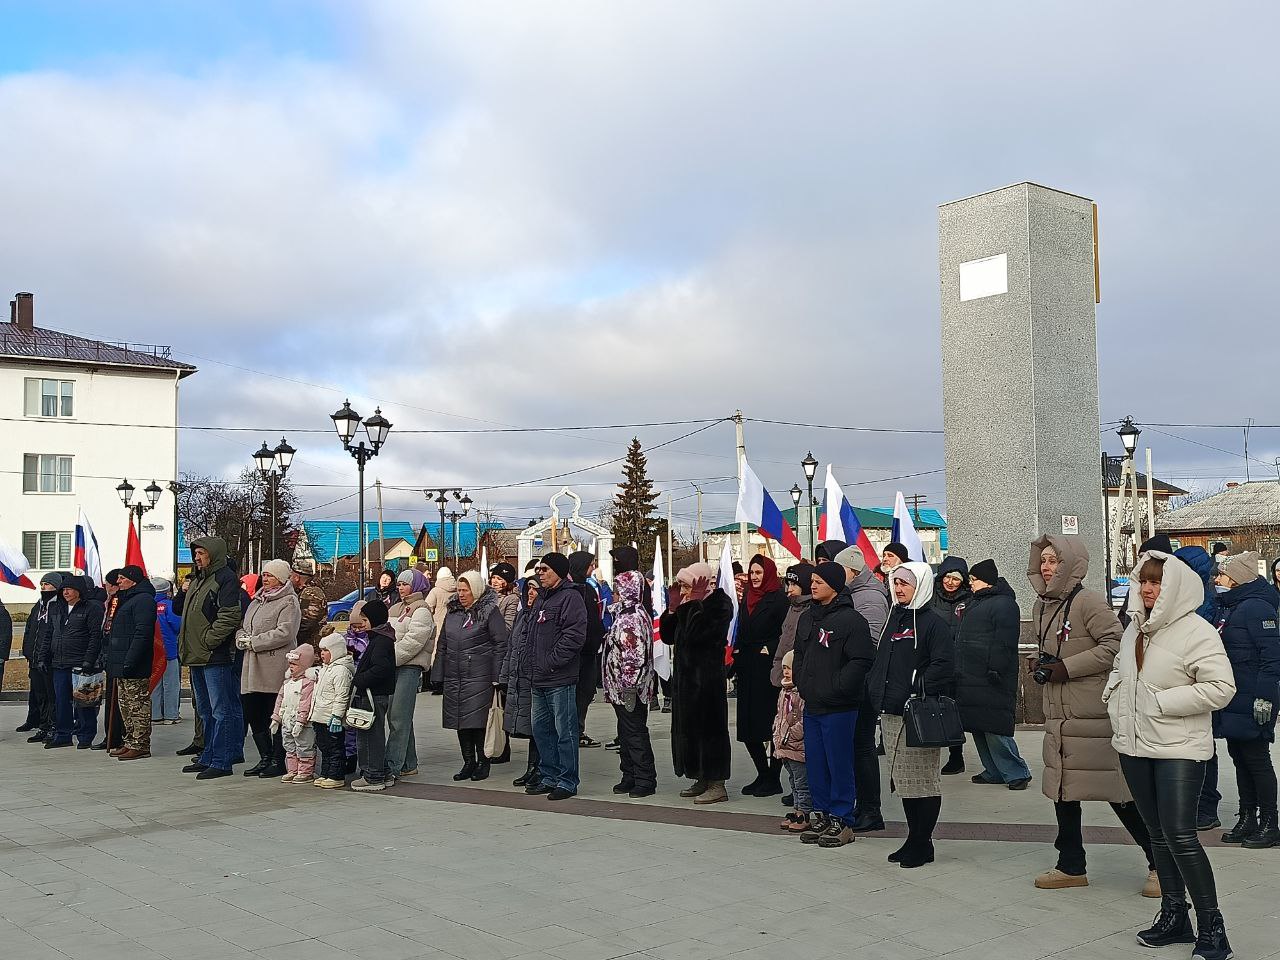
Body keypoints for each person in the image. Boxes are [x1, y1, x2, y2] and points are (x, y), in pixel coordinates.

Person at [1104, 550, 1236, 959]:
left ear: (1174, 587)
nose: (1147, 588)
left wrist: (1161, 703)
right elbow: (1121, 672)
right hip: (1134, 745)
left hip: (1179, 749)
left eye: (1156, 581)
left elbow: (1221, 687)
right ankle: (1174, 915)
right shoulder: (1134, 630)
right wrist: (1113, 696)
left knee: (1180, 834)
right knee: (1157, 833)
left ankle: (1212, 927)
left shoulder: (1196, 631)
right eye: (1143, 580)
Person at [1027, 535, 1156, 894]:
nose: (1046, 567)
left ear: (1070, 564)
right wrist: (1043, 665)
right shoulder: (1042, 605)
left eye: (1054, 561)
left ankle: (1160, 864)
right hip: (1059, 714)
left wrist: (1066, 668)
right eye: (1043, 560)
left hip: (1092, 715)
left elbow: (1115, 645)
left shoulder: (1089, 601)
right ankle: (1070, 865)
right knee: (1063, 790)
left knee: (1118, 792)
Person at [868, 563, 955, 867]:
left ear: (922, 585)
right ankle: (913, 838)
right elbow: (883, 660)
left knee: (923, 781)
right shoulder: (895, 616)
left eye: (906, 582)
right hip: (892, 711)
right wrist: (875, 689)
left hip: (919, 714)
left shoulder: (933, 622)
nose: (899, 588)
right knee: (904, 781)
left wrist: (917, 685)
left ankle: (923, 842)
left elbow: (944, 664)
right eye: (896, 582)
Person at [794, 561, 877, 849]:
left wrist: (839, 686)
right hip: (813, 704)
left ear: (835, 585)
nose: (813, 585)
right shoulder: (807, 618)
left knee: (839, 762)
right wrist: (803, 684)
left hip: (840, 706)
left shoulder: (851, 620)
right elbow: (801, 655)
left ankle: (842, 820)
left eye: (819, 581)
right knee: (816, 762)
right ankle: (822, 815)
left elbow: (862, 660)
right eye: (812, 580)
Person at [1213, 550, 1280, 849]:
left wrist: (1264, 698)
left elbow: (1272, 658)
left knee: (1257, 761)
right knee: (1240, 759)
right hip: (1234, 697)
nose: (1217, 579)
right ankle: (1247, 817)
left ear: (1237, 579)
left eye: (1222, 574)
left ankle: (1269, 822)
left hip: (1252, 699)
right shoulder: (1233, 607)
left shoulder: (1255, 608)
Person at [659, 562, 733, 805]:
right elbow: (670, 637)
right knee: (690, 730)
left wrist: (695, 606)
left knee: (710, 731)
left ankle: (717, 783)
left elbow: (697, 636)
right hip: (686, 681)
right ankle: (700, 776)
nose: (682, 590)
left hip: (707, 681)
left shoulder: (719, 604)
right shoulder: (687, 606)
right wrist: (672, 610)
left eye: (685, 585)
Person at [955, 559, 1032, 789]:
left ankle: (1016, 771)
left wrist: (995, 668)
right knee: (979, 726)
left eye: (974, 580)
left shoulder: (1004, 604)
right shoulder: (977, 602)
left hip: (992, 676)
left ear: (986, 581)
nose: (970, 584)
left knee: (996, 728)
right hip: (973, 676)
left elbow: (1004, 641)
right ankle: (994, 770)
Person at [832, 545, 891, 832]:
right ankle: (862, 806)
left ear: (852, 572)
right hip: (854, 679)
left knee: (863, 746)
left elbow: (870, 640)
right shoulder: (854, 593)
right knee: (857, 746)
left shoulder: (869, 596)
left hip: (864, 682)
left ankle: (870, 809)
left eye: (838, 569)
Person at [178, 537, 246, 781]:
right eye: (195, 553)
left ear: (214, 554)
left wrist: (209, 640)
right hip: (197, 654)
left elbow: (229, 616)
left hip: (214, 656)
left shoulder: (224, 579)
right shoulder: (199, 579)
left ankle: (222, 760)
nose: (197, 557)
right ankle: (209, 754)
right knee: (205, 710)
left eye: (201, 553)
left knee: (221, 710)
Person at [526, 553, 588, 800]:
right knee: (542, 731)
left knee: (565, 732)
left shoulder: (570, 597)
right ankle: (549, 775)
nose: (540, 573)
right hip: (537, 678)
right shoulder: (542, 598)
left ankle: (567, 780)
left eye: (545, 569)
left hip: (558, 678)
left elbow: (574, 636)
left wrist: (551, 662)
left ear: (559, 572)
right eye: (539, 569)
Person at [438, 569, 508, 782]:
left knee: (478, 722)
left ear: (475, 590)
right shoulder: (453, 612)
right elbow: (443, 644)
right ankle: (468, 762)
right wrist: (438, 673)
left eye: (465, 590)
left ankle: (482, 762)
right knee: (460, 721)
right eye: (459, 590)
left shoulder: (489, 611)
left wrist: (498, 675)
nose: (461, 594)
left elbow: (500, 644)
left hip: (480, 675)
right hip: (454, 675)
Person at [236, 559, 301, 779]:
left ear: (282, 578)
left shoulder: (289, 602)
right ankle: (264, 757)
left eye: (270, 575)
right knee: (253, 711)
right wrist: (241, 638)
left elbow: (285, 632)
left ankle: (278, 759)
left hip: (274, 664)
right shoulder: (257, 600)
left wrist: (255, 641)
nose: (265, 578)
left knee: (273, 712)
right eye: (264, 574)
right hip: (252, 665)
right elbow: (244, 627)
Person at [1175, 545, 1226, 831]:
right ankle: (1196, 806)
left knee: (1202, 747)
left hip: (1197, 681)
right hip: (1185, 679)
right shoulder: (1194, 595)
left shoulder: (1202, 600)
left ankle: (1205, 808)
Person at [735, 554, 787, 797]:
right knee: (748, 726)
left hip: (767, 669)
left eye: (758, 573)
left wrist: (772, 646)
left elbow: (787, 630)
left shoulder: (777, 598)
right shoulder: (747, 597)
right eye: (752, 573)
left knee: (769, 724)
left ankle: (774, 777)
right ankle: (763, 773)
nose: (755, 577)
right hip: (747, 666)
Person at [602, 568, 657, 798]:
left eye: (618, 590)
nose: (614, 594)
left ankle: (644, 779)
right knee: (625, 732)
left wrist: (628, 687)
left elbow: (634, 656)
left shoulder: (632, 618)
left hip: (629, 689)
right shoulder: (625, 614)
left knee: (634, 733)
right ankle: (630, 775)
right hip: (620, 687)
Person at [386, 568, 436, 781]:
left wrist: (389, 657)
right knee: (398, 716)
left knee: (398, 716)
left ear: (416, 586)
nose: (401, 588)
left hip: (409, 667)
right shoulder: (396, 608)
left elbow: (414, 642)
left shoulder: (421, 610)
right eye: (398, 584)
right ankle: (408, 763)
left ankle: (392, 765)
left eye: (405, 584)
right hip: (394, 666)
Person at [45, 575, 104, 750]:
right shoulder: (56, 608)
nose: (66, 592)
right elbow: (49, 634)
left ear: (79, 591)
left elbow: (95, 636)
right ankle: (63, 735)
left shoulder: (92, 608)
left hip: (82, 663)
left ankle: (85, 735)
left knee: (85, 701)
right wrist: (43, 657)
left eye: (69, 589)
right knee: (61, 701)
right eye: (63, 589)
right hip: (60, 662)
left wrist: (89, 660)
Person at [107, 566, 157, 760]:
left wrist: (130, 660)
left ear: (133, 580)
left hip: (134, 664)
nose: (118, 582)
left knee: (137, 705)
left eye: (121, 578)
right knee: (125, 705)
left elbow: (142, 634)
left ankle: (141, 743)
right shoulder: (127, 599)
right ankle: (129, 741)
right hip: (122, 663)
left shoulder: (143, 600)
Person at [930, 557, 971, 776]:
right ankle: (930, 754)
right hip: (936, 660)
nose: (951, 582)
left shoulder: (970, 599)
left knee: (955, 711)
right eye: (948, 577)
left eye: (956, 578)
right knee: (933, 710)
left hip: (960, 663)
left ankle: (957, 756)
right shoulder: (931, 596)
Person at [349, 598, 396, 791]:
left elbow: (381, 668)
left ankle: (373, 776)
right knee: (374, 735)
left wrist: (359, 679)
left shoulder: (381, 640)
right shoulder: (380, 638)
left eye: (366, 619)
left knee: (369, 737)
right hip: (376, 693)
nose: (363, 623)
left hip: (372, 695)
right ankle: (383, 772)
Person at [501, 576, 541, 786]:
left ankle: (539, 768)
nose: (530, 593)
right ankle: (532, 767)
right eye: (528, 589)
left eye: (535, 589)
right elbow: (511, 648)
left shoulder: (541, 616)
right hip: (519, 678)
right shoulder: (522, 616)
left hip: (534, 679)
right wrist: (504, 677)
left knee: (537, 725)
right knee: (529, 725)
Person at [568, 551, 606, 747]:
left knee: (586, 691)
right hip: (577, 652)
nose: (593, 568)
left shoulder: (589, 588)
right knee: (576, 693)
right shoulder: (571, 589)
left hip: (591, 650)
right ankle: (573, 731)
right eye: (590, 565)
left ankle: (578, 729)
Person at [18, 573, 62, 742]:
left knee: (52, 695)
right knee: (40, 694)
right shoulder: (38, 605)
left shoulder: (58, 605)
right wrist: (27, 651)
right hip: (34, 658)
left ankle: (53, 726)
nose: (43, 586)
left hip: (49, 659)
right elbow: (29, 628)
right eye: (42, 583)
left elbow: (55, 633)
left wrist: (49, 654)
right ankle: (43, 726)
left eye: (47, 584)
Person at [312, 633, 356, 788]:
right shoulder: (325, 669)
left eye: (325, 650)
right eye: (321, 650)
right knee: (324, 747)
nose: (322, 653)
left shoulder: (341, 670)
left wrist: (337, 716)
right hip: (320, 716)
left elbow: (341, 695)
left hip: (331, 717)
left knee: (334, 747)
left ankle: (336, 775)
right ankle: (326, 773)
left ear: (336, 650)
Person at [272, 645, 319, 784]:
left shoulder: (308, 683)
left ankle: (305, 772)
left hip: (302, 723)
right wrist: (276, 718)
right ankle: (293, 770)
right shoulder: (287, 682)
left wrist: (300, 721)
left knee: (304, 746)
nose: (291, 667)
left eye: (295, 664)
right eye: (290, 664)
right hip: (287, 720)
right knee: (289, 746)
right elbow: (280, 700)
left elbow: (306, 702)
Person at [774, 650, 810, 833]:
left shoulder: (801, 693)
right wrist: (777, 734)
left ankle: (804, 812)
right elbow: (779, 716)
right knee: (793, 781)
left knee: (802, 783)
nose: (786, 672)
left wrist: (790, 735)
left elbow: (804, 720)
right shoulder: (784, 691)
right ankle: (797, 810)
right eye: (784, 668)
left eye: (790, 668)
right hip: (785, 746)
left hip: (797, 746)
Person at [772, 563, 814, 688]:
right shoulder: (792, 607)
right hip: (786, 673)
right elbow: (784, 641)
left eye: (794, 584)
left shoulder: (812, 610)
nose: (789, 589)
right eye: (788, 584)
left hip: (802, 676)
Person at [150, 578, 183, 724]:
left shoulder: (147, 605)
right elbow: (178, 626)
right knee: (171, 684)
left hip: (152, 651)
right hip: (169, 651)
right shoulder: (170, 606)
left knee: (155, 682)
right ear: (167, 591)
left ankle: (155, 715)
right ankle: (170, 715)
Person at [289, 560, 327, 656]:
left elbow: (307, 621)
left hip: (311, 646)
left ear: (297, 577)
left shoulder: (310, 593)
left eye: (290, 576)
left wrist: (292, 638)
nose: (289, 580)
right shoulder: (308, 591)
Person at [426, 566, 458, 635]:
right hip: (455, 625)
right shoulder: (457, 590)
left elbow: (427, 608)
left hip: (439, 626)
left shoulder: (435, 591)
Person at [490, 562, 520, 630]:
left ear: (507, 582)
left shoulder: (512, 599)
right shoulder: (487, 596)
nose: (494, 581)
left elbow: (508, 627)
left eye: (499, 579)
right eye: (493, 577)